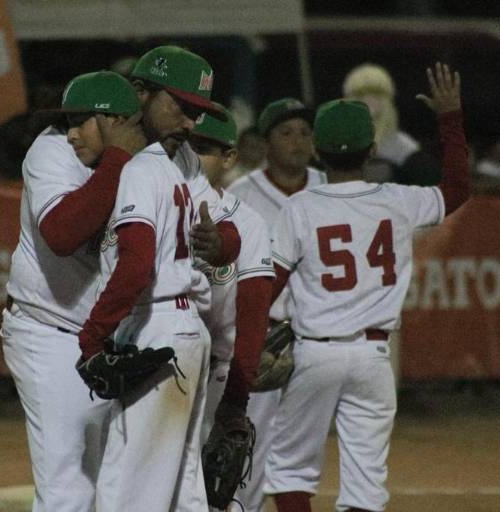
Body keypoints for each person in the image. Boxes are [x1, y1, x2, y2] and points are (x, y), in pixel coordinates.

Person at [265, 63, 469, 512]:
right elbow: (456, 188)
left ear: (316, 149)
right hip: (375, 358)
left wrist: (248, 339)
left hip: (314, 352)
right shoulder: (397, 201)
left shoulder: (299, 207)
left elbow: (269, 284)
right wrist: (450, 118)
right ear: (373, 146)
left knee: (290, 469)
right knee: (365, 483)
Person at [75, 45, 232, 510]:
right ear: (139, 92)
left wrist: (92, 337)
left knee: (127, 492)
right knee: (183, 491)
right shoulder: (173, 163)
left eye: (196, 112)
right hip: (183, 333)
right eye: (180, 107)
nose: (190, 123)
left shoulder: (144, 167)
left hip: (157, 331)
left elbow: (137, 263)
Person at [1, 70, 147, 512]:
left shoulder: (152, 160)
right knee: (69, 488)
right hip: (48, 331)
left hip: (106, 337)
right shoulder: (50, 151)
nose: (70, 133)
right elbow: (63, 233)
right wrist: (121, 157)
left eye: (82, 121)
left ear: (116, 120)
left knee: (116, 486)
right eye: (69, 120)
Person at [226, 98, 327, 511]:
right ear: (265, 143)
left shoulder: (329, 185)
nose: (297, 141)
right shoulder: (240, 194)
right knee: (250, 442)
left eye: (305, 132)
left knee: (303, 452)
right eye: (285, 132)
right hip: (261, 336)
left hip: (317, 338)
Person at [188, 104, 274, 451]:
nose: (192, 157)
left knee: (215, 489)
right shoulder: (151, 200)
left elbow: (252, 315)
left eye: (204, 149)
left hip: (217, 373)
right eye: (187, 146)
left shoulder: (248, 221)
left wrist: (238, 397)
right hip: (152, 365)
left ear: (228, 158)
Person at [343, 63, 440, 186]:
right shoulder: (341, 142)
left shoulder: (403, 145)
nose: (368, 100)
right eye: (361, 95)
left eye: (376, 95)